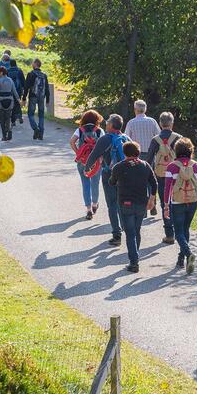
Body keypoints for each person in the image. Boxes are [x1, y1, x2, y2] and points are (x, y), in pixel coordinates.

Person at [109, 141, 157, 273]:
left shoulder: (119, 167)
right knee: (137, 230)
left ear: (124, 153)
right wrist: (152, 199)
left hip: (125, 203)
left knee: (130, 233)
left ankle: (134, 262)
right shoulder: (145, 165)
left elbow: (112, 182)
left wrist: (113, 174)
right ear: (138, 152)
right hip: (142, 203)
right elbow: (154, 183)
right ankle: (135, 255)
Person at [84, 114, 130, 246]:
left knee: (112, 204)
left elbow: (94, 155)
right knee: (123, 203)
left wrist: (87, 168)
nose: (106, 123)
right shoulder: (126, 138)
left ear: (111, 125)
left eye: (108, 121)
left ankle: (117, 235)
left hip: (109, 175)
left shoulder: (105, 139)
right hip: (125, 175)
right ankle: (128, 232)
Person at [163, 138, 197, 274]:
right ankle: (181, 260)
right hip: (193, 201)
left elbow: (167, 188)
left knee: (178, 232)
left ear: (176, 150)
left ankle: (188, 254)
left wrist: (166, 206)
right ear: (190, 150)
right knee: (185, 229)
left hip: (177, 202)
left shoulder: (172, 167)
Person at [147, 111, 181, 243]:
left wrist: (149, 176)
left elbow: (149, 159)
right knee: (177, 202)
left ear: (160, 124)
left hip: (161, 175)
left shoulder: (155, 140)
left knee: (165, 203)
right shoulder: (178, 138)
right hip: (177, 175)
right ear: (172, 123)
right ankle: (180, 232)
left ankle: (169, 234)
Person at [70, 111, 104, 220]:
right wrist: (101, 157)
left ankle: (88, 209)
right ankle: (95, 204)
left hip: (83, 160)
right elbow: (104, 145)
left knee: (85, 184)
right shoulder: (99, 130)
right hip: (96, 161)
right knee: (95, 183)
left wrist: (78, 153)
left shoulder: (80, 130)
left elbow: (72, 142)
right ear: (97, 119)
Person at [24, 59, 51, 140]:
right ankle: (41, 133)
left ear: (35, 64)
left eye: (33, 63)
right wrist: (47, 100)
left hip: (33, 96)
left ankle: (36, 129)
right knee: (41, 115)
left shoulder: (31, 74)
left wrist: (24, 97)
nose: (32, 64)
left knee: (30, 114)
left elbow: (26, 87)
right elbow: (47, 88)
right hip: (42, 97)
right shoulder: (44, 75)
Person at [0, 66, 18, 141]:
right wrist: (18, 100)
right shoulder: (10, 80)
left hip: (0, 102)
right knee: (8, 118)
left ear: (1, 73)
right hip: (10, 101)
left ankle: (4, 136)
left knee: (2, 120)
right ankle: (9, 131)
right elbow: (14, 91)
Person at [6, 58, 26, 126]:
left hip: (10, 90)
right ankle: (19, 116)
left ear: (10, 64)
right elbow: (23, 81)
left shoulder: (7, 71)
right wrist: (24, 90)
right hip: (18, 90)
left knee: (12, 105)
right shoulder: (19, 70)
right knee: (18, 103)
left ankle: (13, 121)